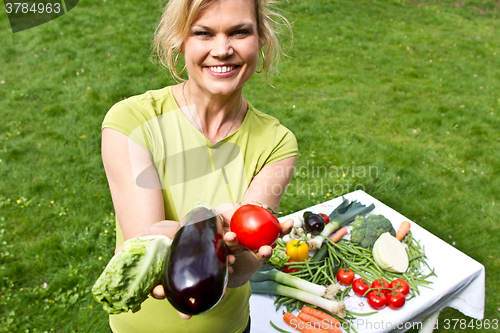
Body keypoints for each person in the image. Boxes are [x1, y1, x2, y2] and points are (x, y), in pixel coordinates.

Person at [100, 0, 297, 332]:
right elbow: (148, 242)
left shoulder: (278, 143)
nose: (222, 50)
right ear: (180, 41)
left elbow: (243, 270)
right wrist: (214, 227)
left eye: (240, 32)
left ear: (261, 39)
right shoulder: (132, 121)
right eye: (203, 33)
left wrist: (244, 251)